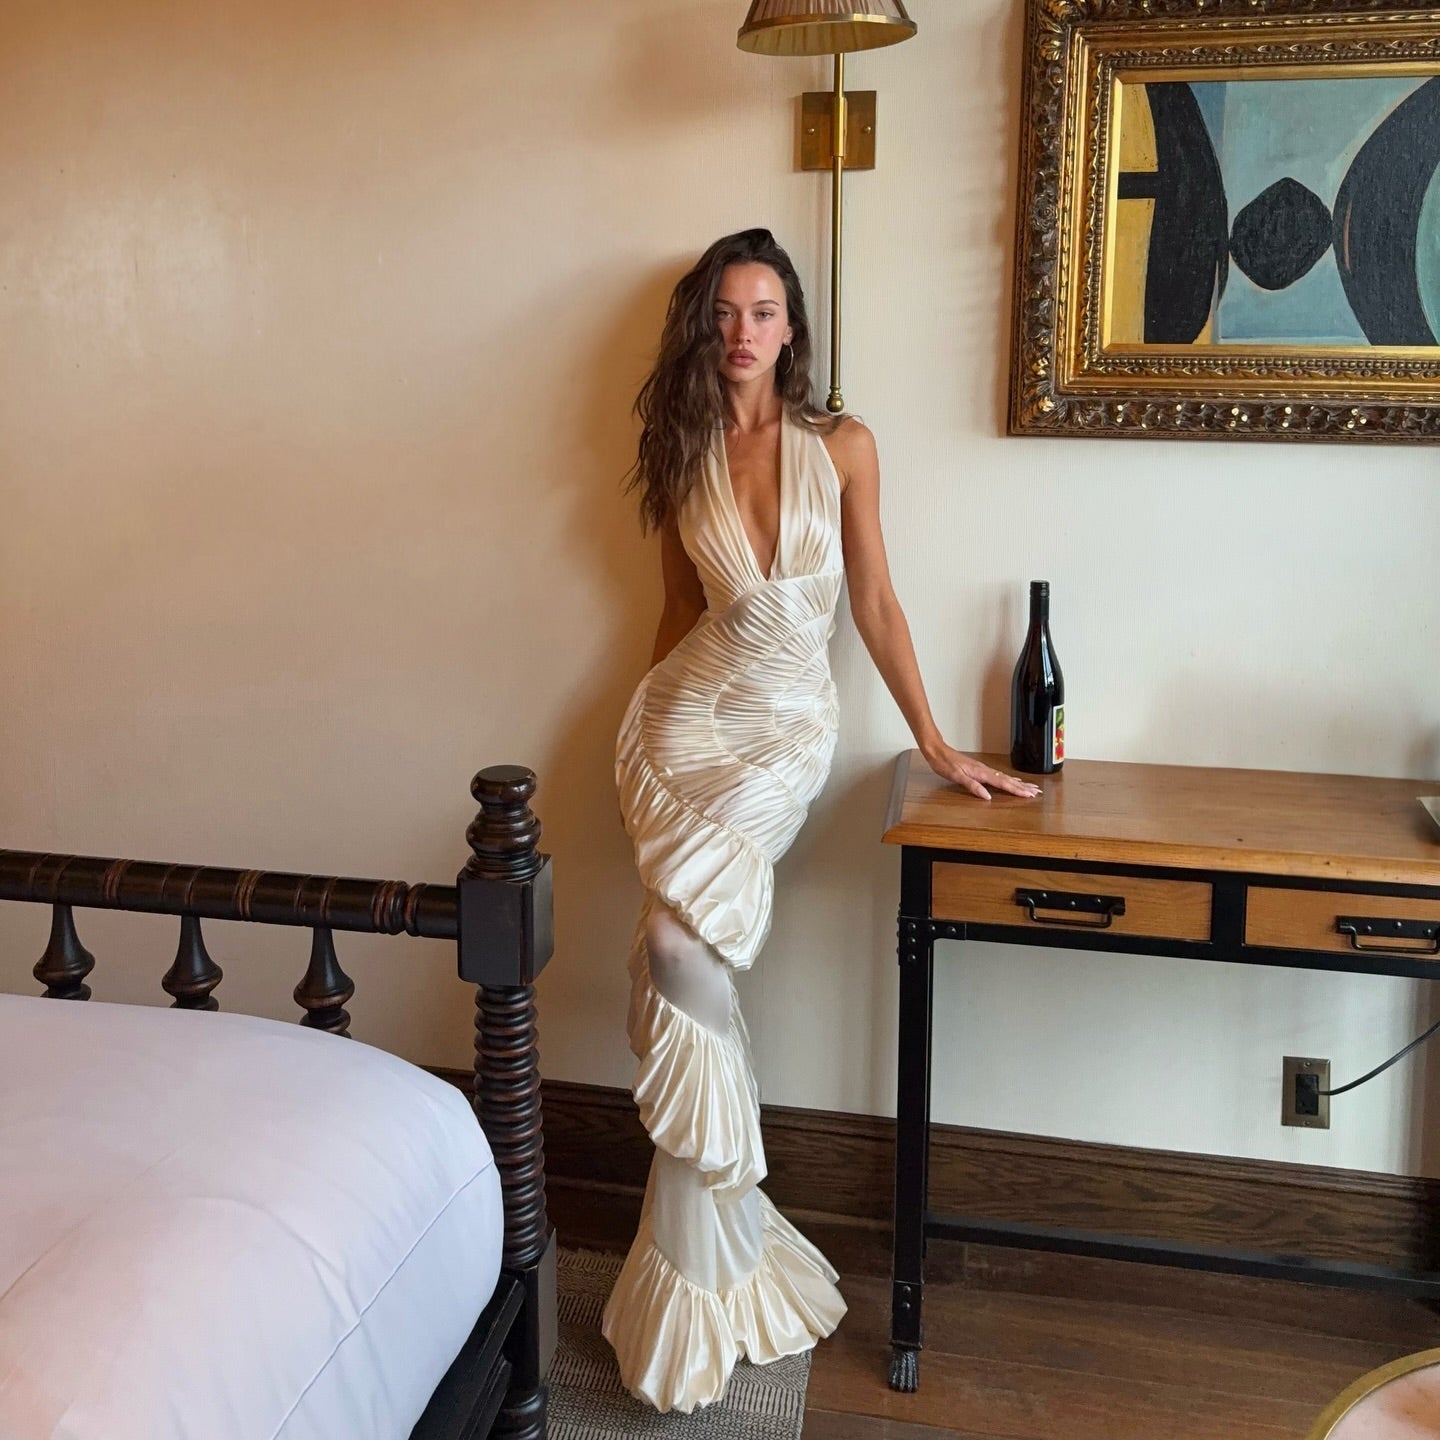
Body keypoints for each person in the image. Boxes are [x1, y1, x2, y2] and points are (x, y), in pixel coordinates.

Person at [600, 228, 1040, 1414]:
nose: (744, 331)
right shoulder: (684, 451)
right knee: (667, 945)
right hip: (684, 723)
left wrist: (939, 743)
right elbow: (675, 611)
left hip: (787, 727)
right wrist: (641, 748)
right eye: (727, 313)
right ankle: (703, 1258)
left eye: (765, 310)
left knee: (684, 949)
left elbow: (881, 601)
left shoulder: (843, 447)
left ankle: (712, 1260)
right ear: (706, 327)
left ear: (792, 327)